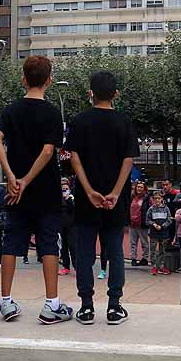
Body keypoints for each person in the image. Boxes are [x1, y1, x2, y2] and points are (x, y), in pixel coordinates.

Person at [0, 55, 72, 325]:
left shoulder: (12, 109)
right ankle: (52, 303)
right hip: (46, 189)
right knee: (49, 244)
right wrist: (27, 179)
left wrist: (12, 176)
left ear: (23, 79)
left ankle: (5, 301)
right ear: (49, 80)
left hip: (15, 190)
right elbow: (49, 150)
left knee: (12, 242)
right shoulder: (52, 113)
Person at [64, 69, 137, 326]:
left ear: (90, 94)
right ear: (116, 94)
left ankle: (86, 306)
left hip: (87, 198)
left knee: (85, 252)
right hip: (115, 199)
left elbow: (74, 158)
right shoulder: (124, 121)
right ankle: (114, 306)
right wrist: (116, 192)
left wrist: (88, 190)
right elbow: (128, 159)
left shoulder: (79, 121)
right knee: (115, 250)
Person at [146, 190, 173, 275]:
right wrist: (153, 224)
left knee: (162, 250)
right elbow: (147, 220)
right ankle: (154, 266)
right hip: (154, 232)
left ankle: (161, 266)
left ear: (162, 199)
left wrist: (163, 226)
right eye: (155, 198)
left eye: (159, 198)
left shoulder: (166, 208)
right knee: (153, 250)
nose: (157, 200)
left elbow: (169, 219)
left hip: (163, 232)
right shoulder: (151, 209)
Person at [127, 181, 151, 267]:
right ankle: (133, 258)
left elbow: (149, 209)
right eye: (138, 187)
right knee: (133, 242)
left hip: (142, 223)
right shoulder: (132, 197)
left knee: (144, 242)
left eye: (141, 187)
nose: (139, 189)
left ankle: (145, 258)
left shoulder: (147, 198)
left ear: (144, 188)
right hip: (132, 223)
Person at [59, 177, 76, 274]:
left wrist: (68, 199)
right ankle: (66, 266)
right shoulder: (58, 198)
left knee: (73, 247)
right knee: (63, 247)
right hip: (61, 226)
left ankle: (76, 267)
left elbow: (73, 209)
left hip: (72, 226)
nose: (64, 190)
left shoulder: (72, 198)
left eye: (65, 188)